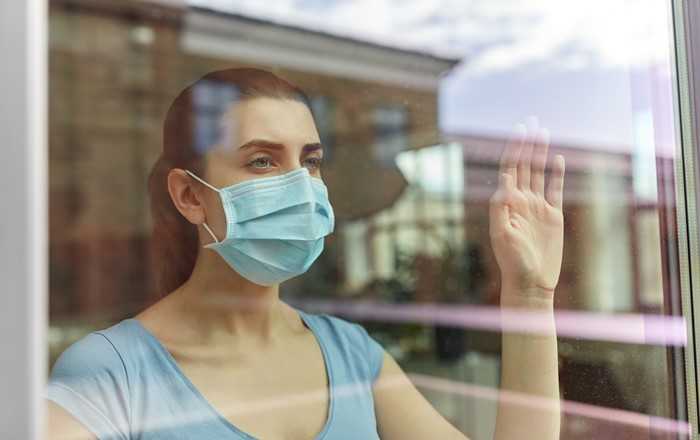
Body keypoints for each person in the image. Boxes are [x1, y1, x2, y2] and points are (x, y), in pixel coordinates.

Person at [46, 68, 565, 439]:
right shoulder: (110, 374)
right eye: (263, 162)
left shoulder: (354, 356)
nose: (300, 186)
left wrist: (531, 293)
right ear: (189, 195)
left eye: (310, 162)